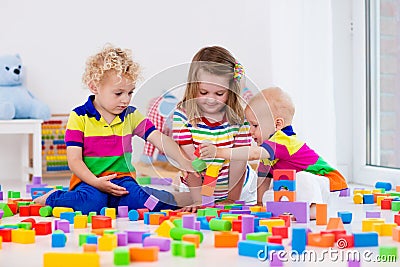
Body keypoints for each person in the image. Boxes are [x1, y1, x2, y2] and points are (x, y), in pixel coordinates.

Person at [34, 45, 195, 214]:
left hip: (123, 181)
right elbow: (74, 161)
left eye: (130, 92)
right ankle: (52, 197)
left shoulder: (130, 115)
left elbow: (158, 138)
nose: (125, 99)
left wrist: (184, 161)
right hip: (90, 181)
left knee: (144, 201)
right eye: (118, 93)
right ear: (95, 87)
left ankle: (181, 198)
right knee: (91, 205)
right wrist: (96, 182)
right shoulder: (79, 117)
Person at [200, 87, 348, 219]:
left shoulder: (283, 141)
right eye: (249, 125)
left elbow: (252, 154)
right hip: (299, 187)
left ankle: (314, 209)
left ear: (278, 124)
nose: (250, 131)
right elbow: (263, 179)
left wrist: (219, 152)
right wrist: (259, 203)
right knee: (270, 194)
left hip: (326, 184)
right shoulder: (268, 153)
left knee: (302, 178)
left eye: (255, 125)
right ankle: (297, 208)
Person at [172, 46, 257, 211]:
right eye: (203, 92)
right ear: (193, 86)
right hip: (196, 186)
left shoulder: (239, 120)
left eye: (219, 94)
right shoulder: (182, 115)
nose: (211, 100)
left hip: (239, 188)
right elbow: (189, 161)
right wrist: (199, 201)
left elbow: (239, 160)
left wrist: (232, 199)